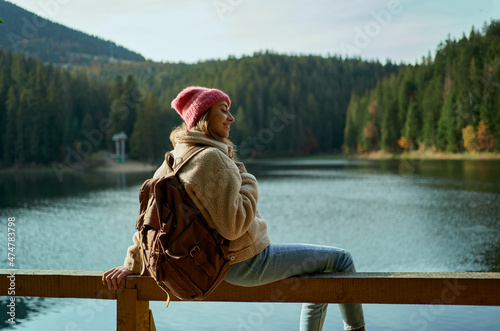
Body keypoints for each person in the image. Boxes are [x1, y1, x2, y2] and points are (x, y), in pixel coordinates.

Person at [102, 86, 366, 331]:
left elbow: (149, 224)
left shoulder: (171, 161)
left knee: (319, 273)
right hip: (244, 263)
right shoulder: (212, 159)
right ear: (203, 116)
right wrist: (248, 181)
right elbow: (234, 225)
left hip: (205, 266)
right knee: (341, 260)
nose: (231, 118)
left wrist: (131, 264)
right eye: (223, 110)